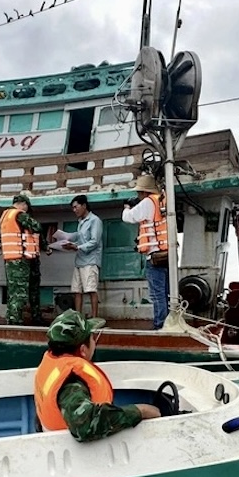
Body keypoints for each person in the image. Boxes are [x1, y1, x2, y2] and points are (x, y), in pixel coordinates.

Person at [34, 309, 160, 441]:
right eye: (92, 338)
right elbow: (86, 425)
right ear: (83, 350)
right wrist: (140, 411)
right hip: (74, 455)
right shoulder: (71, 383)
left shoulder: (53, 365)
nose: (94, 341)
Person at [121, 173, 170, 329]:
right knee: (166, 293)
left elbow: (127, 217)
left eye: (138, 192)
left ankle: (159, 325)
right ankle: (168, 322)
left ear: (143, 192)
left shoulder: (148, 202)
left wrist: (127, 206)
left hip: (154, 257)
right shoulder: (163, 200)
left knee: (157, 295)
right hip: (167, 254)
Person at [0, 194, 49, 325]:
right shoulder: (19, 214)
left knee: (14, 291)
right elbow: (37, 226)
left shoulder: (5, 216)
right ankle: (15, 322)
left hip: (15, 259)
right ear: (23, 204)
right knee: (19, 294)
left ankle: (13, 318)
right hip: (20, 260)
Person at [64, 194, 103, 319]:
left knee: (91, 289)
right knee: (77, 290)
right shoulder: (80, 222)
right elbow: (81, 241)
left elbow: (94, 241)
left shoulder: (95, 220)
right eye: (73, 208)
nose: (74, 210)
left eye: (76, 207)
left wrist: (77, 247)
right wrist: (71, 245)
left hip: (90, 261)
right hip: (79, 261)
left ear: (84, 206)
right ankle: (78, 317)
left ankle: (95, 317)